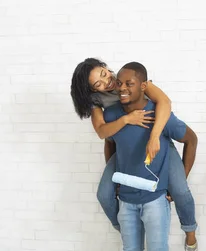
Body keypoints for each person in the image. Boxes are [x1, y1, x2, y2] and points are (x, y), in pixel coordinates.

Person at [70, 58, 198, 251]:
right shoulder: (99, 103)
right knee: (104, 194)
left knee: (180, 189)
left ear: (106, 68)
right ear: (93, 90)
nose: (108, 82)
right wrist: (127, 119)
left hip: (155, 140)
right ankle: (128, 229)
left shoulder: (129, 78)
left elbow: (164, 101)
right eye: (99, 83)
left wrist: (154, 137)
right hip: (124, 142)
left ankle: (190, 234)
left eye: (105, 74)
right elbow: (104, 134)